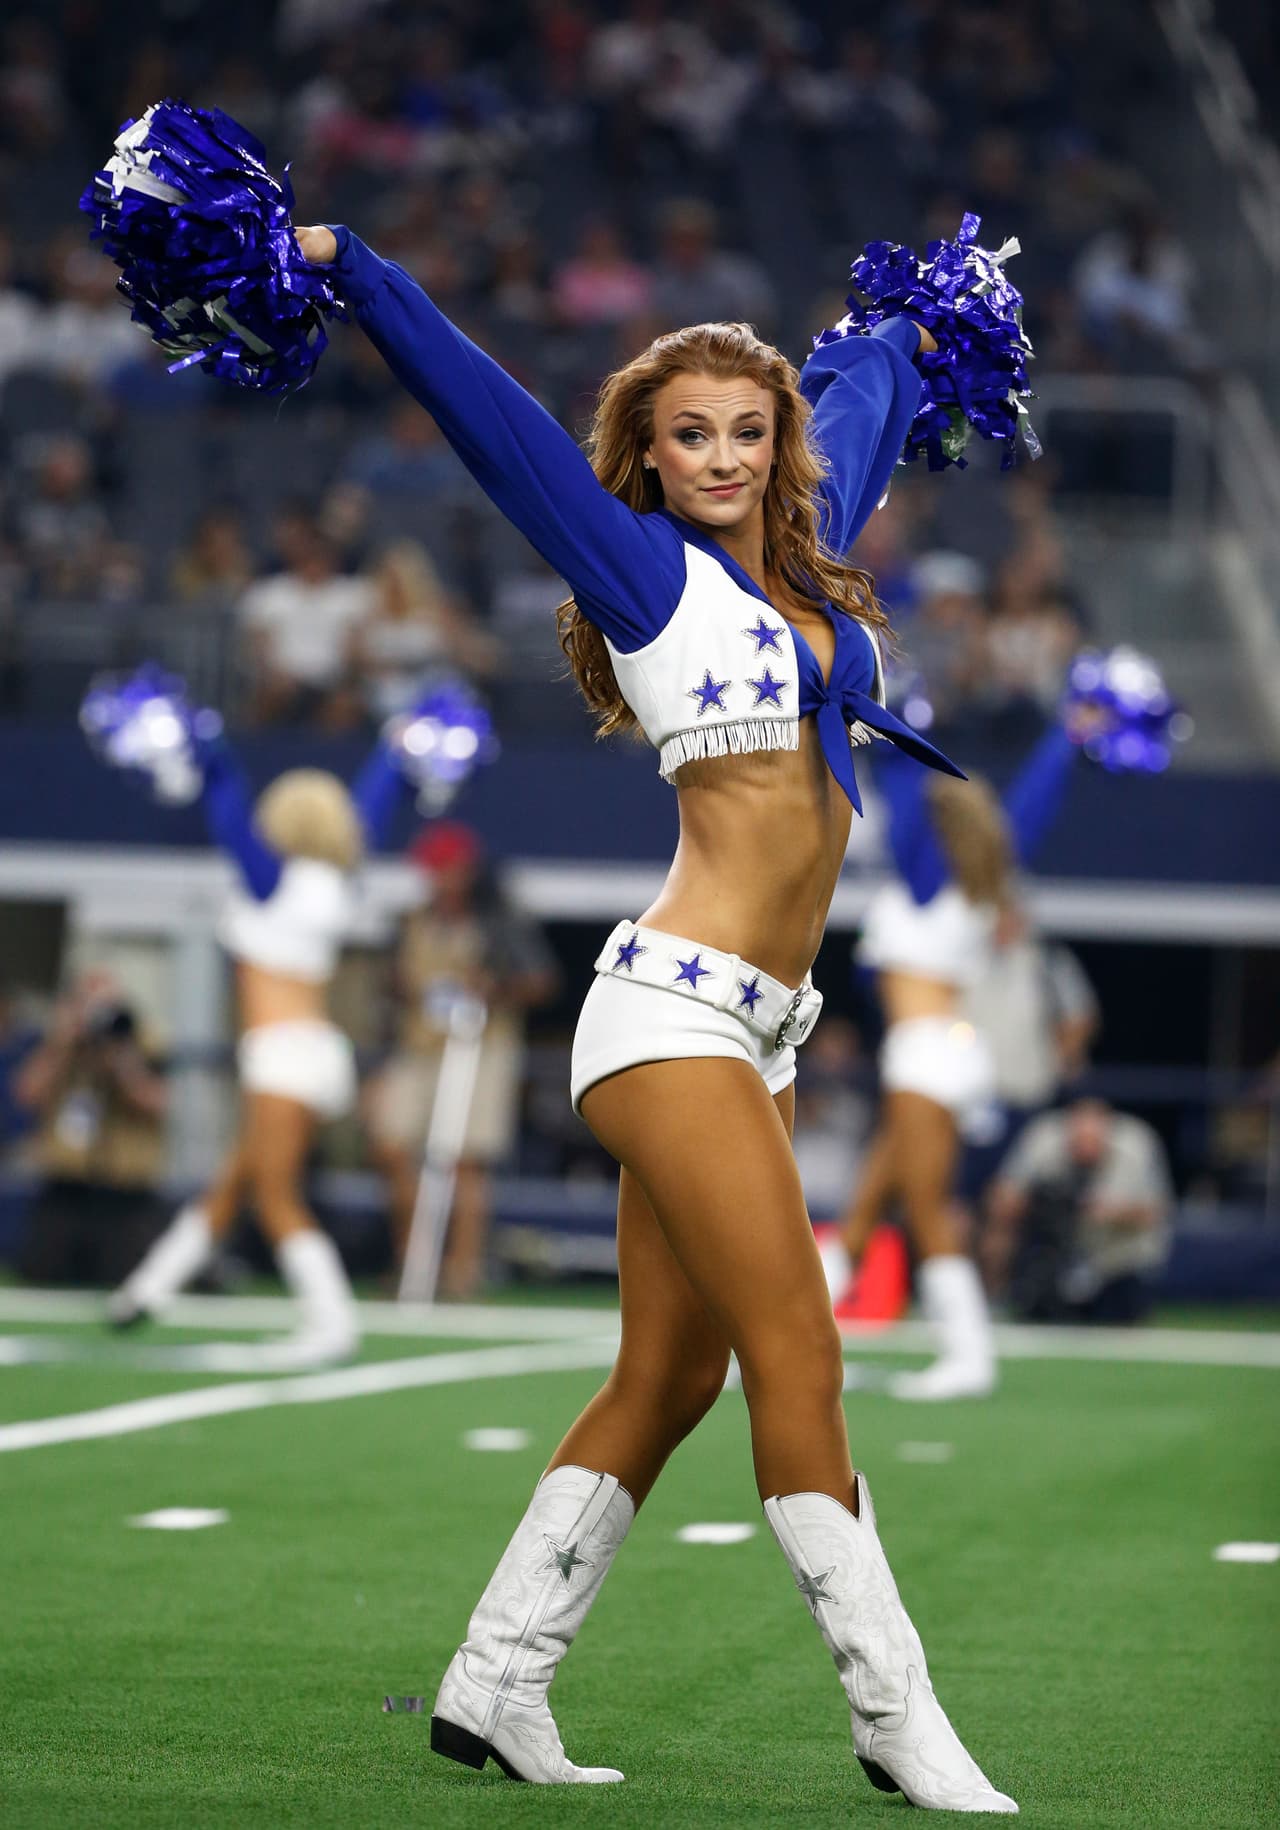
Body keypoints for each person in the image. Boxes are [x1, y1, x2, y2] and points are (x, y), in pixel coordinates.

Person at [295, 218, 1017, 1811]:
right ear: (651, 449)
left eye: (747, 432)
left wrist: (918, 321)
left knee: (671, 1377)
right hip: (666, 1017)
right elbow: (489, 419)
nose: (723, 457)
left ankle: (495, 1680)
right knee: (799, 1349)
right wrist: (356, 271)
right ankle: (897, 1714)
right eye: (690, 434)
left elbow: (867, 391)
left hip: (760, 1029)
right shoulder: (641, 569)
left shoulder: (814, 560)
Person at [106, 715, 413, 1364]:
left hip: (282, 1055)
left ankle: (332, 1322)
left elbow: (227, 804)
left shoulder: (269, 879)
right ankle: (145, 1292)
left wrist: (206, 744)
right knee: (232, 1184)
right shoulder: (339, 883)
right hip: (315, 1051)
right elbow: (372, 809)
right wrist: (393, 752)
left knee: (275, 1196)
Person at [828, 726, 1079, 1401]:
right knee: (864, 1212)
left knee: (927, 1209)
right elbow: (1029, 808)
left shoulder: (926, 883)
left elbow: (904, 794)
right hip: (941, 1053)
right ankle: (788, 1349)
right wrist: (1064, 739)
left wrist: (888, 731)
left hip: (926, 1058)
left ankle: (969, 1358)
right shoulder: (978, 881)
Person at [364, 820, 558, 1296]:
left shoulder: (498, 919)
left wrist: (491, 989)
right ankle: (414, 1261)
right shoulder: (413, 921)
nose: (437, 880)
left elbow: (541, 981)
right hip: (418, 1046)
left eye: (445, 869)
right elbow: (390, 989)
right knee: (390, 1145)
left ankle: (461, 1269)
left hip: (478, 1048)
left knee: (465, 1161)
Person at [12, 971, 168, 1286]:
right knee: (43, 1282)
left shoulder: (143, 1042)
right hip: (65, 1191)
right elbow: (25, 1094)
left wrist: (120, 1057)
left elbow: (156, 1102)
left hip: (124, 1195)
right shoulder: (60, 1046)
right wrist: (63, 1043)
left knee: (126, 1280)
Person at [985, 1095, 1173, 1323]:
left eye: (1092, 1142)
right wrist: (1040, 1203)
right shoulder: (1044, 1136)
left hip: (1115, 1257)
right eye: (1079, 1142)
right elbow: (1002, 1197)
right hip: (1053, 1252)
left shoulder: (1136, 1143)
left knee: (1116, 1316)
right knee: (1002, 1235)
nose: (1085, 1150)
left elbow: (1157, 1212)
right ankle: (996, 1298)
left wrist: (1110, 1211)